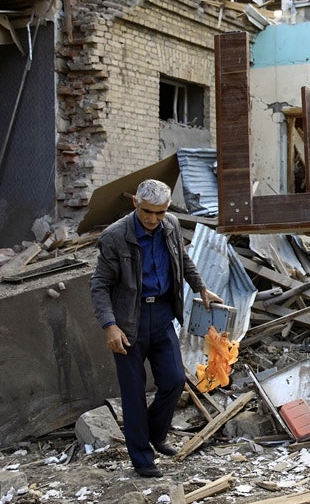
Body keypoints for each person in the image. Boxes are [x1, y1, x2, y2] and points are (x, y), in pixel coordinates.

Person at [89, 179, 222, 479]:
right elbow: (98, 285)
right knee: (133, 392)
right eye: (147, 211)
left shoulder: (171, 226)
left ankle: (155, 434)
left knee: (175, 379)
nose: (152, 219)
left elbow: (183, 261)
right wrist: (109, 326)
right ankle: (142, 457)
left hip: (162, 314)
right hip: (128, 322)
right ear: (135, 203)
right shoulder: (114, 237)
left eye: (159, 213)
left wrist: (201, 287)